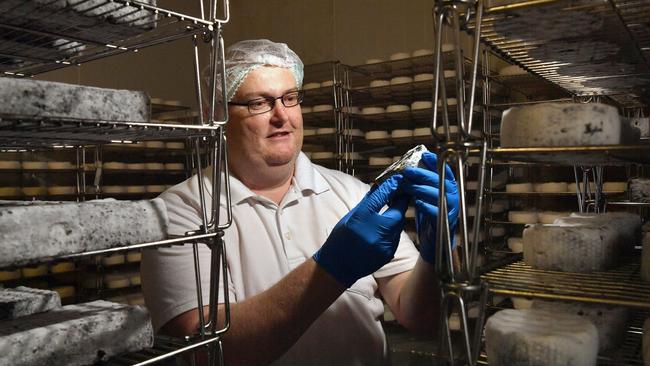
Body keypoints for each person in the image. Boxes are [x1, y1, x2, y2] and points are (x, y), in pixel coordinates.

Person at [141, 39, 459, 365]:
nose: (282, 115)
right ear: (217, 115)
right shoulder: (178, 215)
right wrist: (332, 267)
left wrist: (435, 259)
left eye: (290, 98)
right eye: (259, 103)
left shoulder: (352, 194)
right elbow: (205, 352)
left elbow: (419, 315)